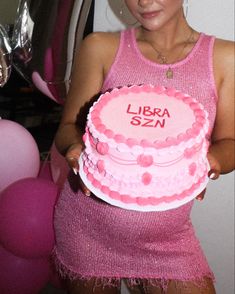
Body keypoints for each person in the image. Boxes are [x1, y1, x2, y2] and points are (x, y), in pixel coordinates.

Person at [53, 1, 235, 293]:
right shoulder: (100, 46)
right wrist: (77, 150)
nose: (144, 0)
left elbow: (230, 143)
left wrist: (209, 162)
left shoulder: (226, 57)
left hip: (168, 239)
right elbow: (67, 129)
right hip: (88, 228)